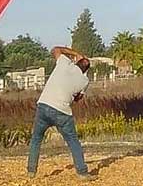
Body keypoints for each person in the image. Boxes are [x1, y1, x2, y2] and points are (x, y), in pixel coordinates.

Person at [26, 47, 93, 178]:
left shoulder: (64, 64)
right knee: (73, 141)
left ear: (76, 61)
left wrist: (75, 53)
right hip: (62, 111)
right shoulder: (85, 81)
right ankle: (82, 172)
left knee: (36, 139)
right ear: (86, 70)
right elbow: (78, 99)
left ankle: (31, 170)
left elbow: (56, 49)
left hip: (44, 105)